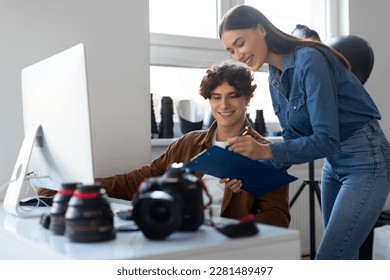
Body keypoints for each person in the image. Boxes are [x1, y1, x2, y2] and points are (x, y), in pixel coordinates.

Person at [218, 5, 390, 259]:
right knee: (344, 258)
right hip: (334, 164)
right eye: (231, 51)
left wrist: (263, 150)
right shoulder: (274, 75)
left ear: (261, 29)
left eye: (240, 43)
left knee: (331, 257)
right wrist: (248, 171)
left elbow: (326, 139)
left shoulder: (309, 59)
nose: (238, 55)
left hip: (367, 161)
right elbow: (293, 139)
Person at [39, 61, 290, 227]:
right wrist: (74, 190)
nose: (224, 106)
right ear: (209, 101)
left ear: (247, 98)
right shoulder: (188, 143)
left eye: (233, 97)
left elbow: (278, 217)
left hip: (224, 243)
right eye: (216, 98)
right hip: (179, 231)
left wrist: (236, 225)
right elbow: (134, 181)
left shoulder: (266, 151)